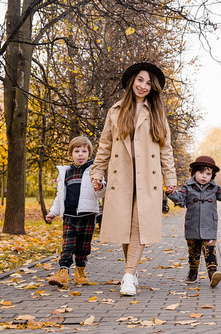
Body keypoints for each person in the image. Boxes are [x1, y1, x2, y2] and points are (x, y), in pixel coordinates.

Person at [96, 61, 181, 296]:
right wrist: (97, 172)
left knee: (138, 225)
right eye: (140, 80)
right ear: (132, 81)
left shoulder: (156, 113)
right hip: (121, 176)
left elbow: (166, 148)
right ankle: (131, 272)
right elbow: (104, 145)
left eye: (148, 83)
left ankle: (128, 274)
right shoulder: (115, 111)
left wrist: (170, 177)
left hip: (148, 177)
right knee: (125, 226)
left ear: (154, 88)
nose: (143, 86)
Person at [43, 134, 105, 287]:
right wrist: (52, 212)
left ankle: (80, 271)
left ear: (89, 154)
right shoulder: (65, 172)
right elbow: (60, 196)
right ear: (71, 154)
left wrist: (100, 186)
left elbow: (101, 192)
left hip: (88, 215)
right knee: (67, 244)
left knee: (83, 245)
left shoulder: (94, 171)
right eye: (77, 151)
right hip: (69, 216)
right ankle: (63, 272)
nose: (80, 155)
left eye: (84, 151)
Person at [175, 155, 221, 287]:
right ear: (194, 172)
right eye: (201, 172)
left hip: (209, 225)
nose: (204, 176)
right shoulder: (188, 186)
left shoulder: (214, 188)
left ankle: (212, 273)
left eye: (208, 174)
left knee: (210, 250)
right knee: (193, 251)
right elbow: (180, 197)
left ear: (212, 175)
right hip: (192, 224)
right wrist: (170, 193)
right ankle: (193, 271)